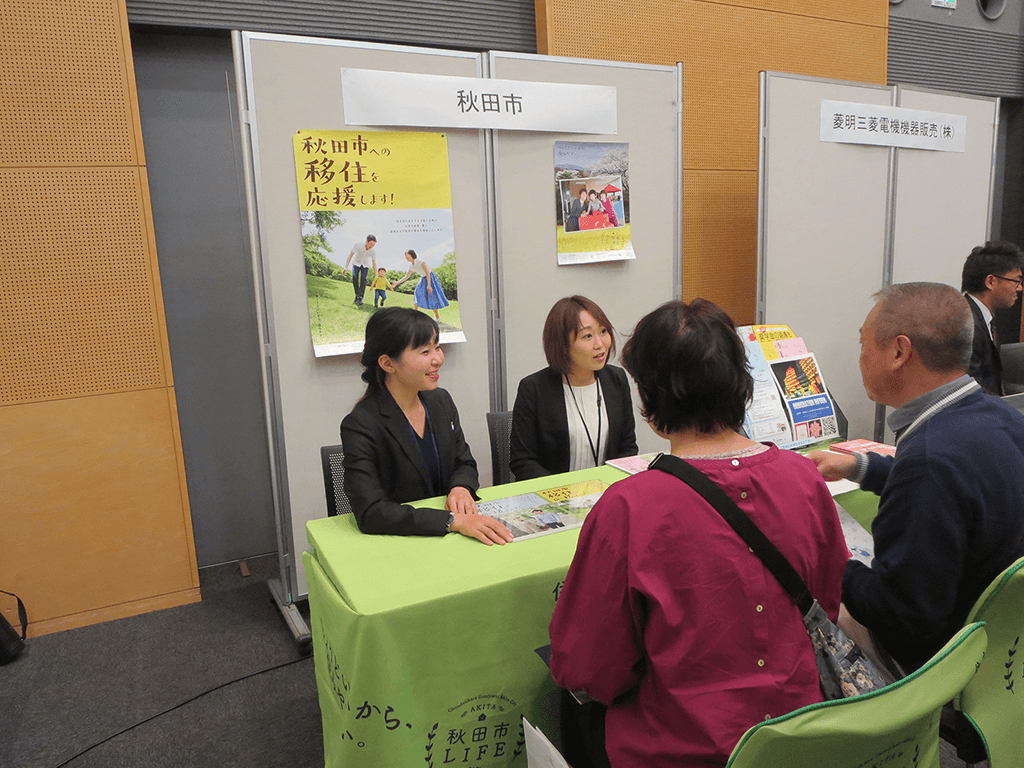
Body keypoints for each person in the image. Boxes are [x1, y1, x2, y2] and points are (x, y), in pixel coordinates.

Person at [549, 299, 848, 768]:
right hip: (801, 734)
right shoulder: (804, 477)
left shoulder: (629, 507)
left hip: (681, 747)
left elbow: (587, 667)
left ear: (649, 401)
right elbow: (827, 605)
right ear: (742, 384)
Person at [809, 282, 1024, 673]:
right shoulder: (1004, 418)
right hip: (1002, 645)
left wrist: (824, 558)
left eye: (863, 344)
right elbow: (963, 483)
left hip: (941, 661)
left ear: (898, 352)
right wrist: (858, 466)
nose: (860, 357)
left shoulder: (928, 462)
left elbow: (901, 619)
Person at [340, 307, 512, 544]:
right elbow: (371, 512)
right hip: (403, 543)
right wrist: (451, 520)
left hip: (455, 539)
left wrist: (461, 487)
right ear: (388, 363)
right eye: (425, 351)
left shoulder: (440, 401)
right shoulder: (361, 424)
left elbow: (464, 462)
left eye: (437, 347)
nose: (438, 359)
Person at [510, 296, 637, 481]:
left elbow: (628, 448)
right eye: (587, 336)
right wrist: (564, 493)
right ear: (562, 343)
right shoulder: (534, 389)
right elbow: (523, 461)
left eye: (603, 331)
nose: (600, 344)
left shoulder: (616, 380)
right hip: (553, 498)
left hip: (606, 494)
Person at [960, 240, 1024, 395]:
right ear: (990, 281)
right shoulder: (967, 324)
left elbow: (991, 381)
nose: (1020, 288)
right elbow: (972, 390)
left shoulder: (981, 316)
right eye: (1016, 280)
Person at [393, 249, 449, 321]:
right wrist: (397, 282)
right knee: (417, 292)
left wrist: (429, 285)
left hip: (430, 278)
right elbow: (406, 277)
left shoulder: (421, 262)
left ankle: (437, 316)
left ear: (411, 255)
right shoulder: (412, 266)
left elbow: (428, 274)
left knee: (432, 297)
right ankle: (415, 314)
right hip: (423, 278)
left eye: (407, 255)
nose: (406, 257)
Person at [344, 234, 377, 306]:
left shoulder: (373, 251)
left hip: (365, 265)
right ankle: (358, 295)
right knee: (355, 277)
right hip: (356, 263)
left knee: (363, 279)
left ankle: (360, 298)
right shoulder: (358, 245)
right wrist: (346, 267)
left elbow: (374, 263)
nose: (372, 246)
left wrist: (376, 275)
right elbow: (350, 256)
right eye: (371, 244)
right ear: (367, 241)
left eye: (373, 244)